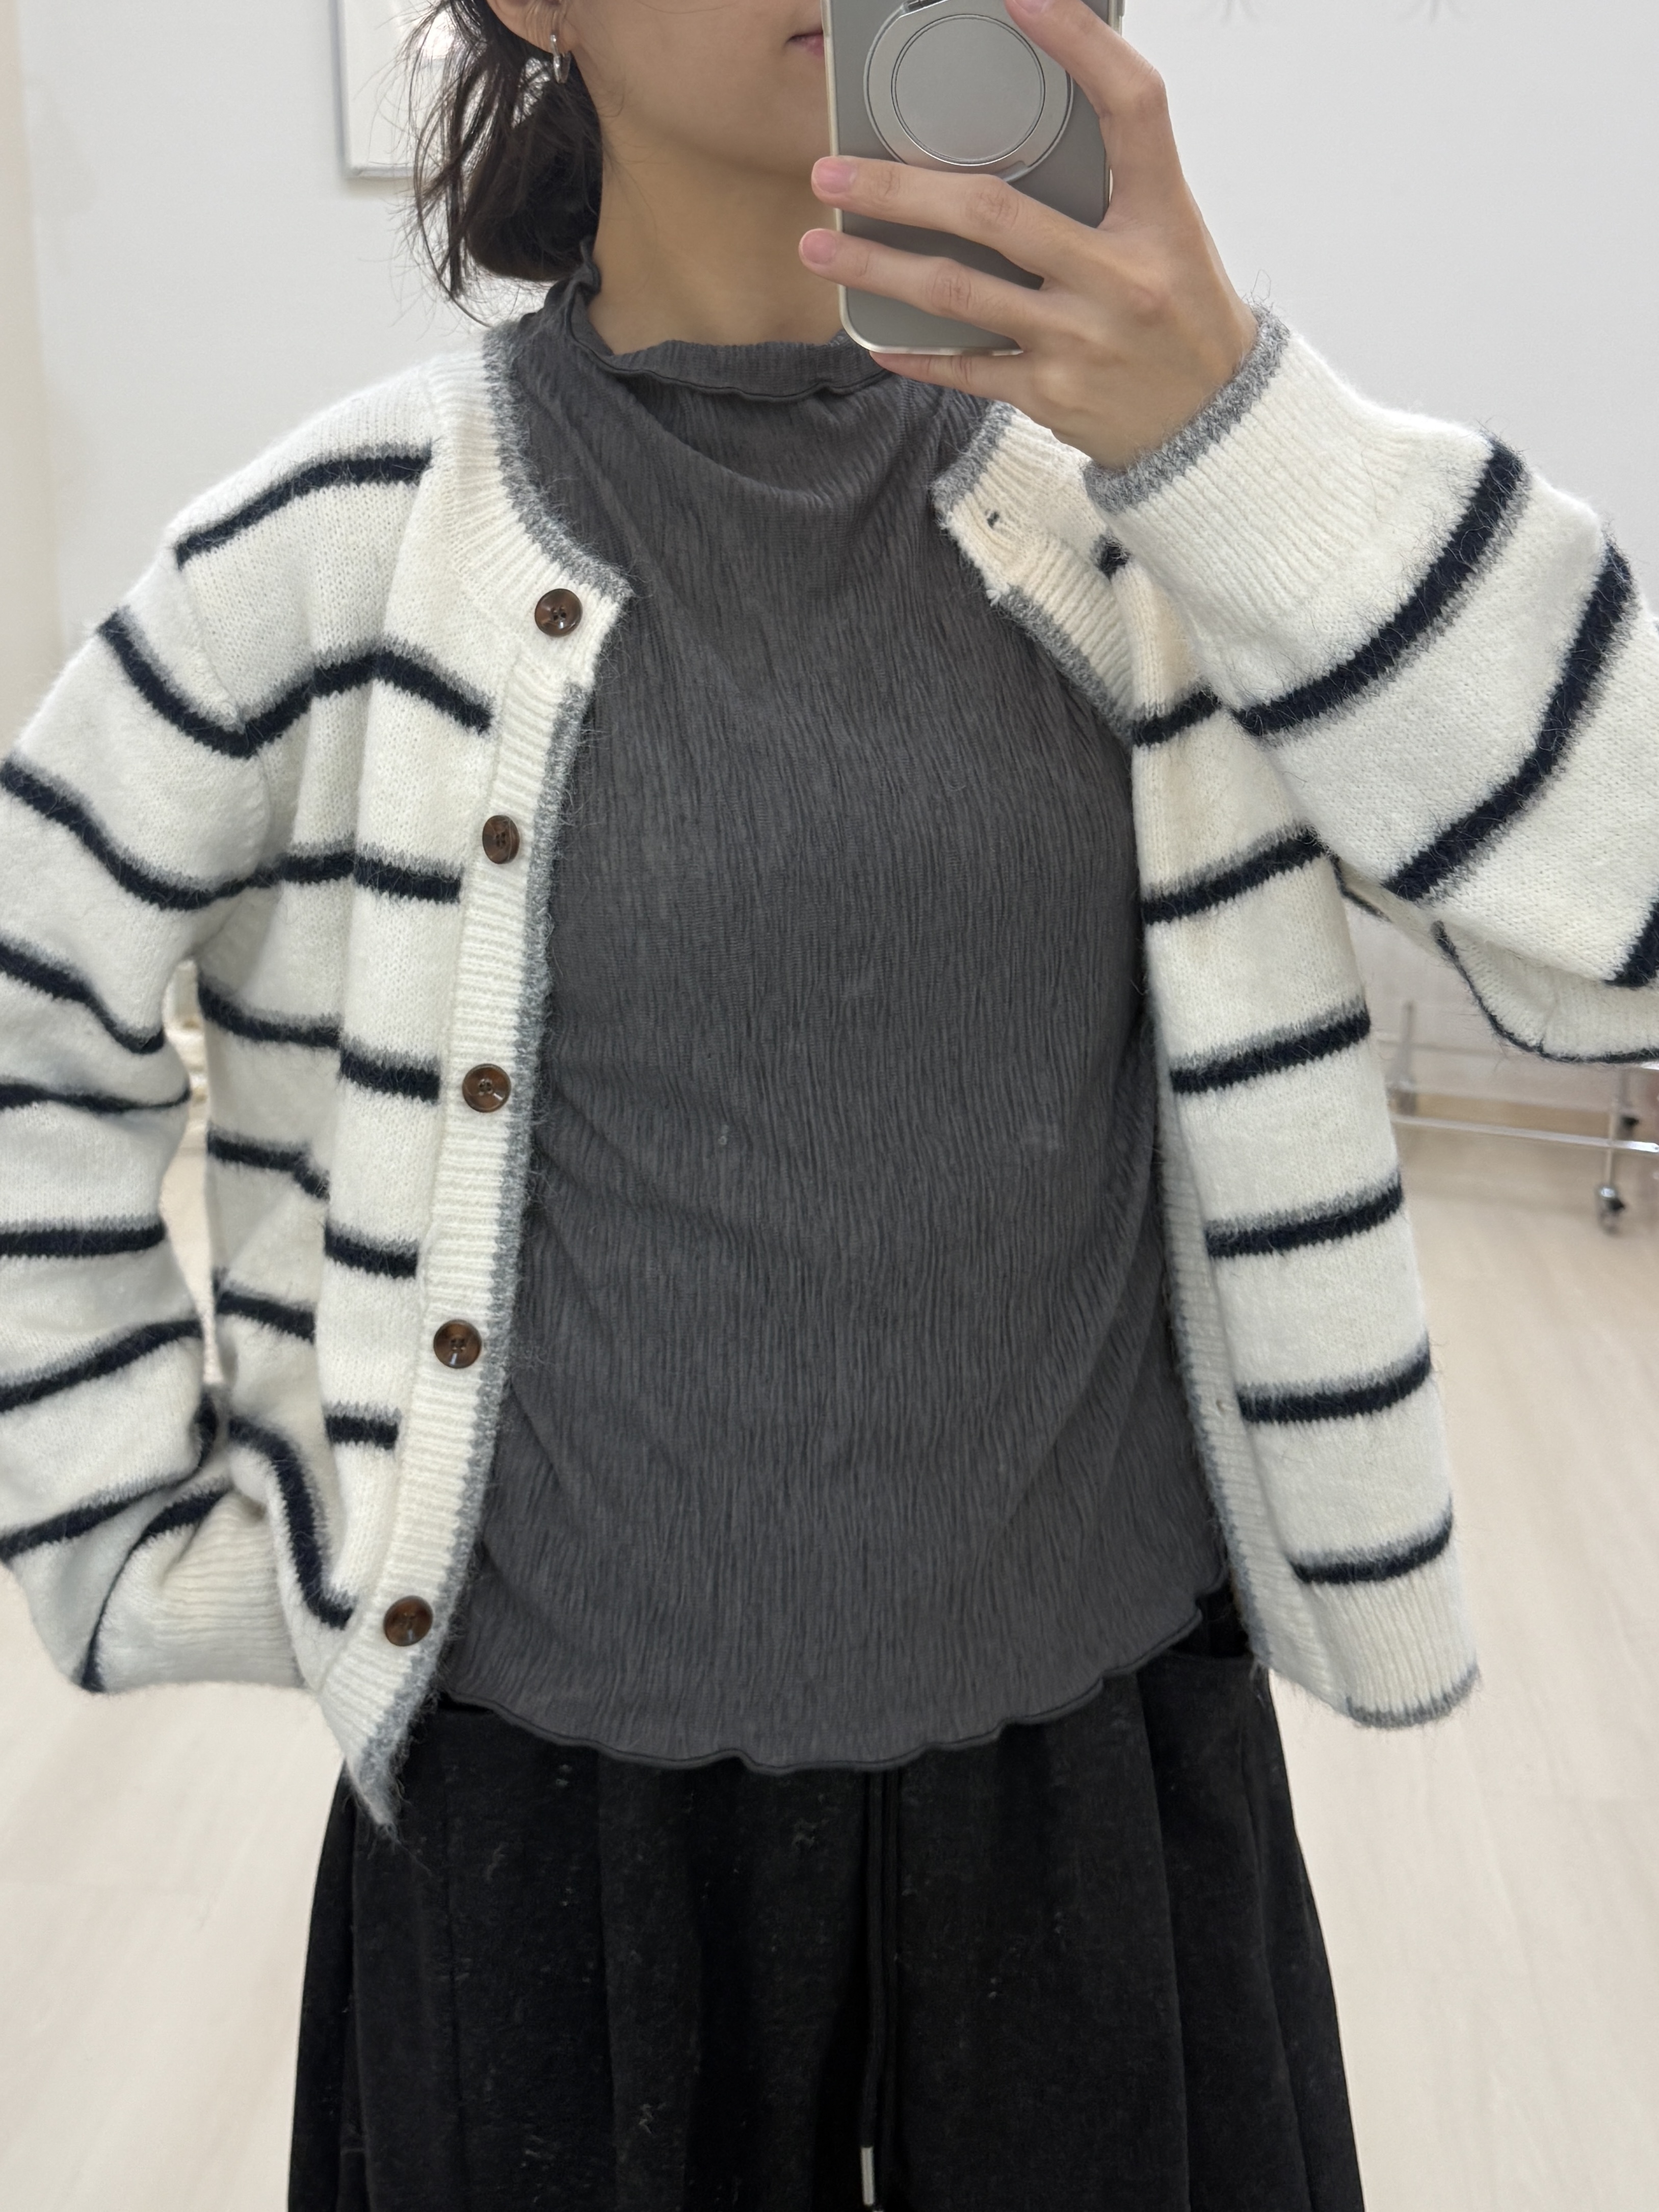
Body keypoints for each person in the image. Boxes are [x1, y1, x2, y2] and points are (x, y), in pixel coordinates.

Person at [1, 0, 1654, 2202]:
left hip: (1098, 1802)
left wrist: (1230, 423)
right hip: (539, 1832)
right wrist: (143, 1534)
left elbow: (1621, 918)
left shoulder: (1153, 517)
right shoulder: (329, 551)